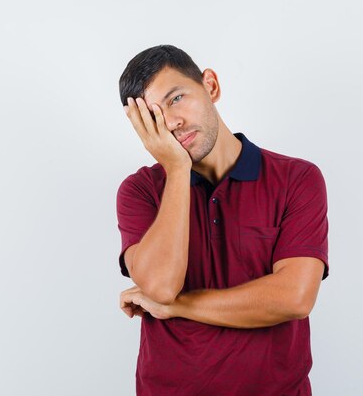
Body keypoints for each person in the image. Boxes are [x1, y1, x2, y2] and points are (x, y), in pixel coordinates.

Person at [115, 44, 329, 396]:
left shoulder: (297, 178)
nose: (171, 122)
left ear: (210, 86)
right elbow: (161, 287)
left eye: (176, 98)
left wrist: (178, 306)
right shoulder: (139, 191)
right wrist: (177, 168)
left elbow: (294, 298)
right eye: (153, 117)